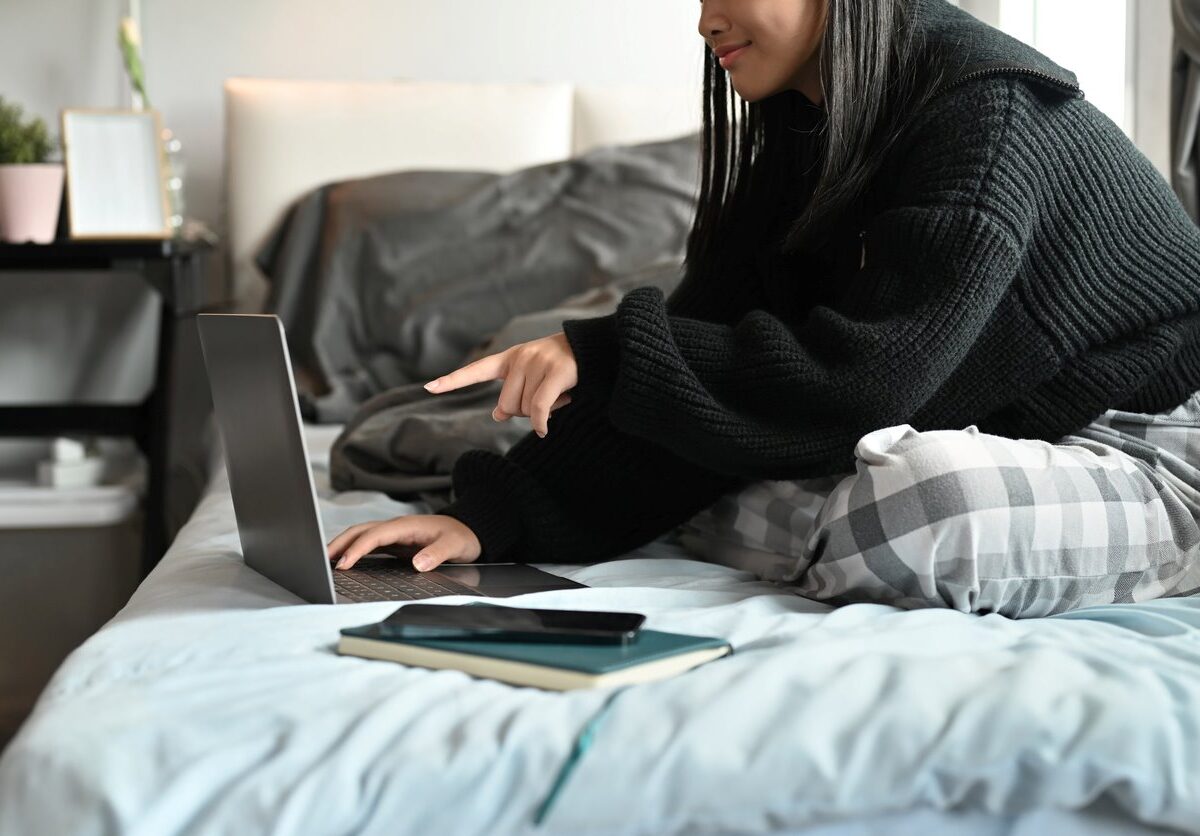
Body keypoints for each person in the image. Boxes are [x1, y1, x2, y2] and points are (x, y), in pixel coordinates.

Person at [327, 0, 1200, 618]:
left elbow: (868, 382)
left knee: (923, 499)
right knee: (753, 448)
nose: (704, 19)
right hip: (1012, 431)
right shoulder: (807, 127)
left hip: (1160, 437)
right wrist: (488, 520)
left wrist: (605, 353)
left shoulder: (984, 111)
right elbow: (701, 339)